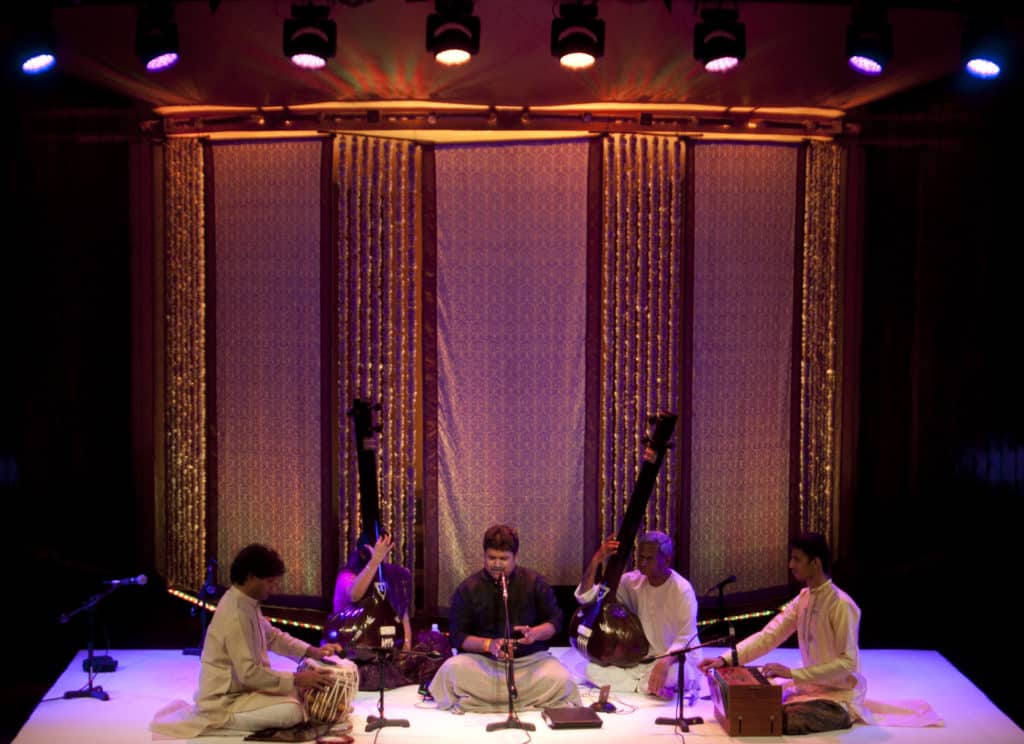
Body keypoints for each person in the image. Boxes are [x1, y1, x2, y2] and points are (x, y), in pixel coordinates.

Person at [150, 544, 346, 737]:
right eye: (270, 582)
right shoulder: (235, 613)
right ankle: (220, 723)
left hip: (246, 691)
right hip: (225, 701)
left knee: (299, 696)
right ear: (252, 577)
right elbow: (249, 674)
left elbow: (273, 637)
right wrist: (295, 679)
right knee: (292, 711)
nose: (273, 588)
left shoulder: (246, 603)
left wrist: (312, 651)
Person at [698, 532, 870, 735]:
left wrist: (792, 673)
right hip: (810, 690)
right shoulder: (804, 598)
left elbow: (848, 663)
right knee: (756, 710)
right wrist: (725, 660)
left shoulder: (841, 605)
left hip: (839, 698)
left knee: (773, 720)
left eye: (796, 559)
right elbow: (769, 636)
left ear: (815, 563)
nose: (790, 565)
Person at [429, 524, 581, 712]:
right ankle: (523, 700)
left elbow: (555, 621)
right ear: (483, 555)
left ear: (515, 557)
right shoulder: (468, 588)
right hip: (484, 665)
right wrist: (488, 645)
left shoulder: (534, 582)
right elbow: (458, 636)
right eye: (491, 557)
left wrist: (535, 633)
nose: (497, 564)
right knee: (450, 671)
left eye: (504, 558)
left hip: (529, 663)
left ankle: (479, 701)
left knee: (563, 679)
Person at [574, 531, 703, 699]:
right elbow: (587, 596)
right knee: (590, 670)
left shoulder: (682, 590)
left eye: (649, 559)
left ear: (667, 560)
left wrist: (665, 662)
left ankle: (646, 684)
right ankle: (644, 686)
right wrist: (596, 560)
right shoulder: (632, 581)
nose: (642, 563)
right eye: (640, 557)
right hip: (643, 661)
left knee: (677, 674)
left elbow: (686, 638)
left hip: (676, 661)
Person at [331, 532, 414, 690]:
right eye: (379, 550)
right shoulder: (347, 575)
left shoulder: (389, 575)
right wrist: (374, 561)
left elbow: (402, 613)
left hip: (386, 648)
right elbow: (355, 594)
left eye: (385, 550)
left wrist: (407, 644)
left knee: (434, 649)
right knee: (373, 673)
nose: (383, 555)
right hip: (355, 651)